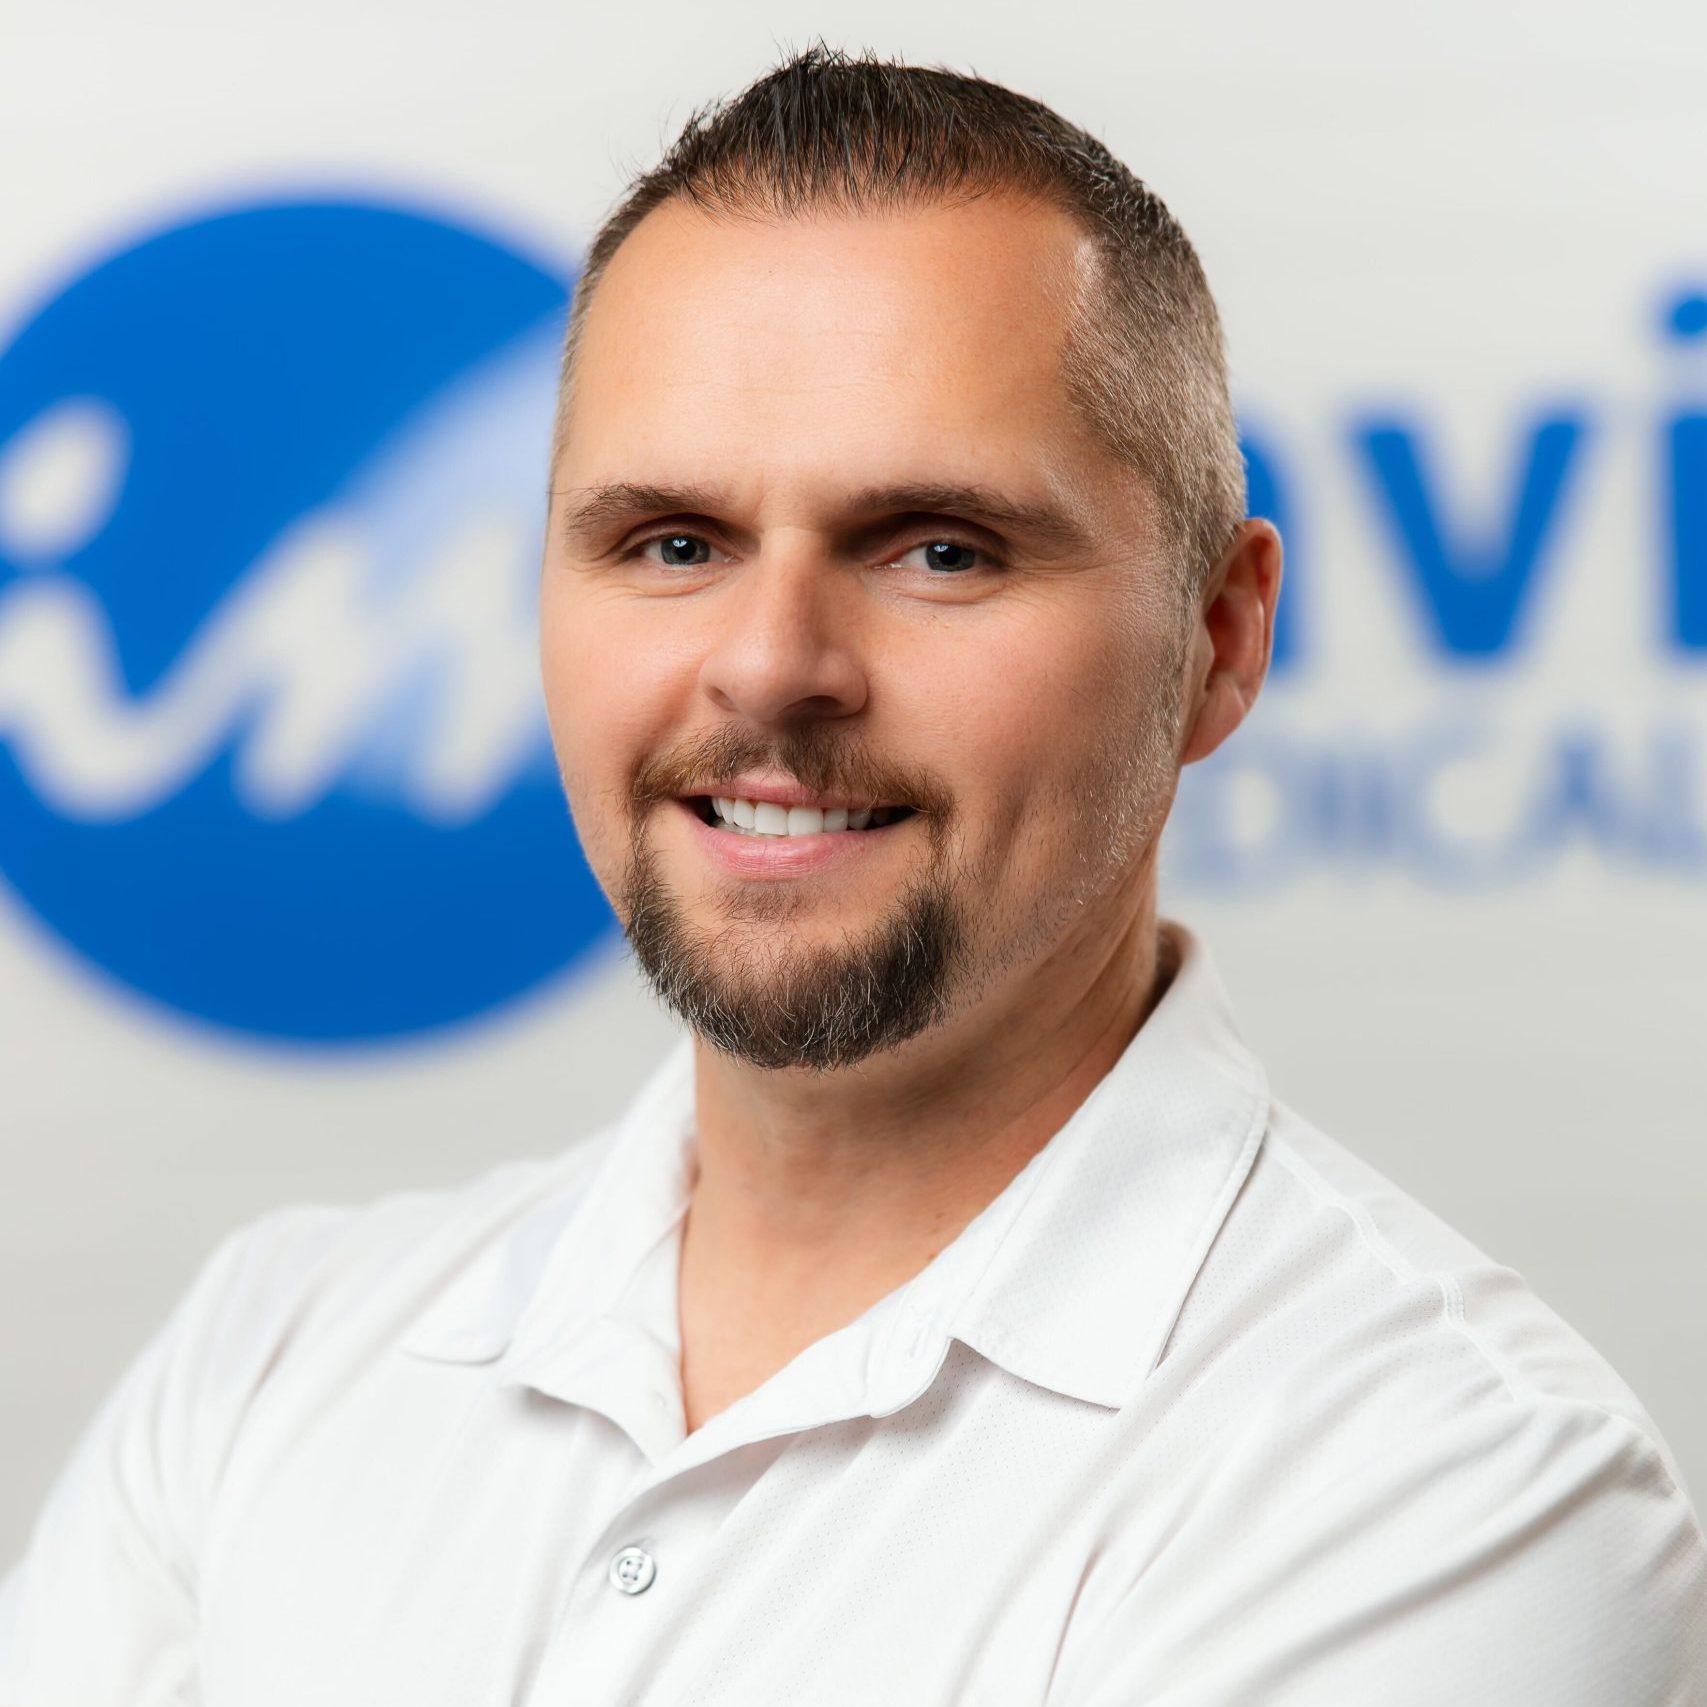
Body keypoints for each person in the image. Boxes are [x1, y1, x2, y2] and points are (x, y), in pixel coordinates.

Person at [2, 43, 1703, 1707]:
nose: (770, 666)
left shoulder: (1448, 1483)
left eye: (938, 549)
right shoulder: (267, 1363)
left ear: (1219, 639)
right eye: (671, 543)